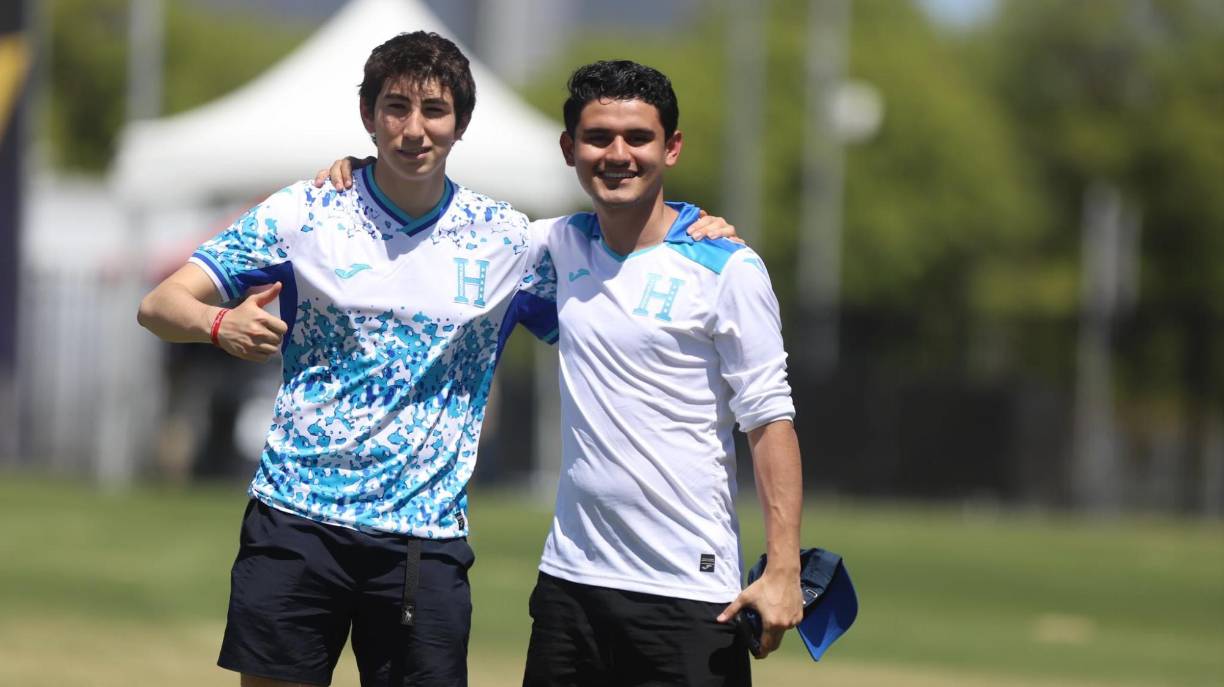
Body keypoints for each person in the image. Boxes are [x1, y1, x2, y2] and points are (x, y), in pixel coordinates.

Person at [138, 32, 732, 687]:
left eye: (434, 111)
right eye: (395, 107)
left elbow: (615, 254)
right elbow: (161, 303)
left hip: (423, 541)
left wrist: (683, 222)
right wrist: (219, 322)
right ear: (369, 116)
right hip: (296, 520)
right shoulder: (303, 212)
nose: (413, 128)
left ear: (461, 125)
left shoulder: (508, 239)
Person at [520, 60, 806, 686]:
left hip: (688, 591)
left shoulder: (727, 268)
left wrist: (783, 570)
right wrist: (354, 172)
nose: (617, 154)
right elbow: (435, 236)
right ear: (570, 148)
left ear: (670, 148)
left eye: (638, 138)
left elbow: (768, 420)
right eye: (597, 138)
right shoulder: (553, 247)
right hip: (571, 584)